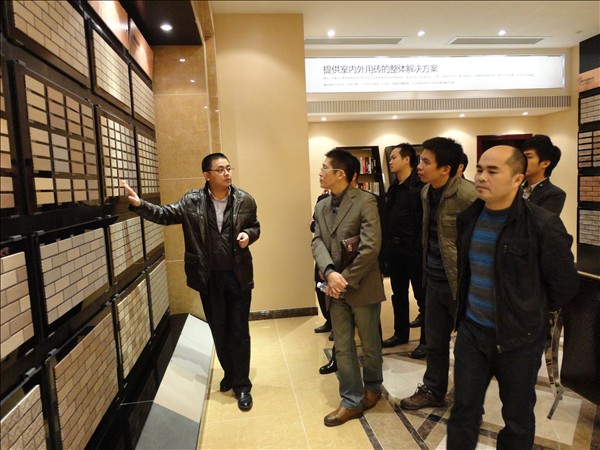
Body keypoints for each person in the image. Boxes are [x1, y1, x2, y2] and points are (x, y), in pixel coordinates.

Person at [447, 145, 579, 449]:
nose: (481, 177)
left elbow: (565, 284)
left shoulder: (542, 224)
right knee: (463, 411)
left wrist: (529, 310)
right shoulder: (469, 218)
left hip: (519, 340)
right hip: (472, 333)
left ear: (518, 179)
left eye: (493, 171)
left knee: (517, 419)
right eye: (480, 169)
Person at [120, 153, 260, 411]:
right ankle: (230, 372)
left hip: (238, 276)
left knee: (239, 331)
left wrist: (248, 235)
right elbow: (165, 215)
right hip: (209, 277)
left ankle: (242, 385)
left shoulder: (245, 200)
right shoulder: (192, 201)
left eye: (228, 168)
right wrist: (139, 204)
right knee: (219, 329)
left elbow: (255, 226)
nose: (227, 173)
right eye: (220, 170)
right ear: (207, 175)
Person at [400, 137, 477, 410]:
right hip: (434, 278)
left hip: (463, 283)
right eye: (420, 160)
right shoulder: (426, 192)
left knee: (468, 346)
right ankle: (433, 389)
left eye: (426, 162)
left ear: (446, 168)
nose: (419, 166)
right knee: (434, 341)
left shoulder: (468, 195)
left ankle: (469, 400)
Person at [312, 149, 385, 426]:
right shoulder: (321, 205)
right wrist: (330, 273)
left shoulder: (366, 201)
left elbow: (371, 247)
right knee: (342, 346)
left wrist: (344, 278)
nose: (320, 172)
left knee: (370, 342)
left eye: (324, 168)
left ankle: (373, 385)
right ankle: (351, 401)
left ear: (339, 174)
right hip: (334, 288)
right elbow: (317, 241)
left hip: (361, 284)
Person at [381, 143, 427, 360]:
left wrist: (418, 246)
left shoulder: (420, 187)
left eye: (394, 157)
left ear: (407, 159)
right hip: (395, 249)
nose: (390, 161)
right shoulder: (393, 188)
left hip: (414, 250)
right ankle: (401, 333)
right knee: (398, 294)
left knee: (421, 296)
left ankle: (426, 341)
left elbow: (423, 220)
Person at [521, 134, 566, 215]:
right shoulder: (515, 187)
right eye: (522, 157)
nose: (522, 161)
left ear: (545, 163)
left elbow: (539, 221)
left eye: (528, 157)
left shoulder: (555, 194)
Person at [311, 190, 333, 337]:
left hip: (337, 252)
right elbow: (313, 225)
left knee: (335, 292)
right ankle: (329, 320)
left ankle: (338, 324)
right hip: (322, 250)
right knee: (320, 287)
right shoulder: (322, 198)